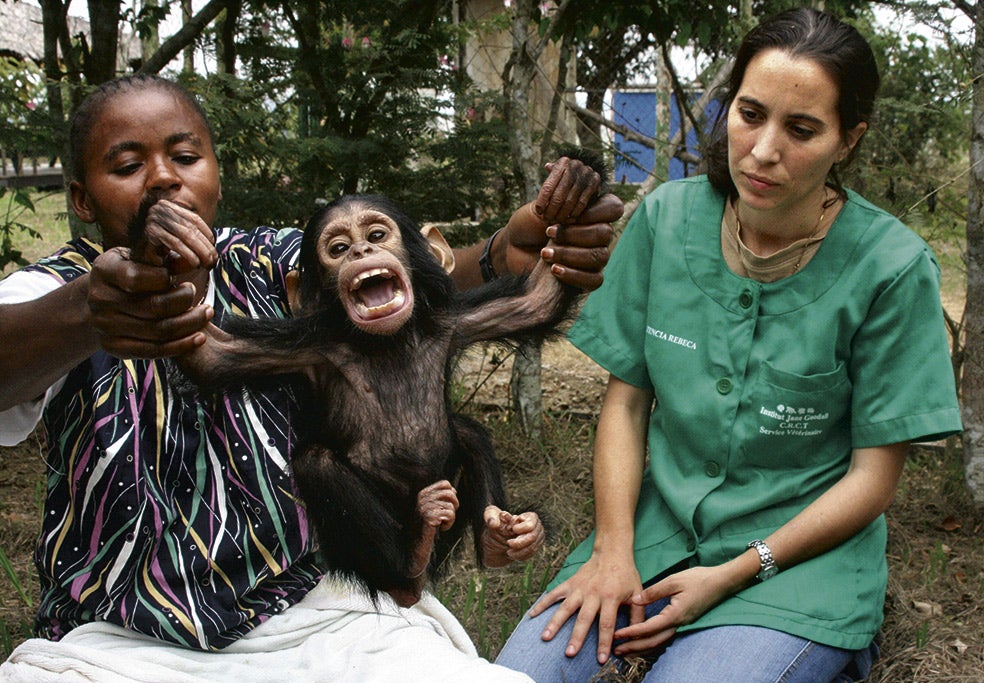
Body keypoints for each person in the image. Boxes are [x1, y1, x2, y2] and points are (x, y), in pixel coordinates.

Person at [0, 74, 620, 681]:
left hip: (319, 612)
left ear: (216, 171)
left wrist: (515, 247)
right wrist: (86, 311)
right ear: (82, 199)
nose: (164, 177)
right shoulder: (56, 289)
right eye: (128, 165)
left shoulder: (274, 263)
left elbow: (417, 278)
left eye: (185, 155)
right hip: (115, 637)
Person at [496, 8, 962, 682]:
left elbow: (872, 479)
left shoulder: (890, 267)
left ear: (847, 141)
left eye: (802, 130)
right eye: (750, 114)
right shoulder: (667, 219)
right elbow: (626, 403)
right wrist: (612, 548)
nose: (765, 150)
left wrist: (735, 572)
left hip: (798, 570)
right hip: (652, 538)